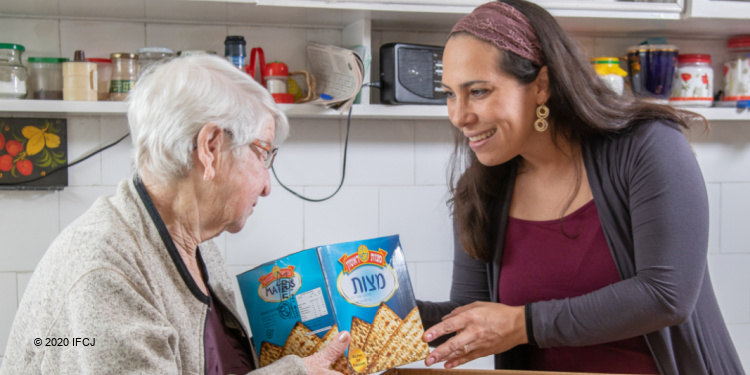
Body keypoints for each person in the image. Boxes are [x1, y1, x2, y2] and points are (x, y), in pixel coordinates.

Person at [416, 1, 745, 374]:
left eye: (477, 91)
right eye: (449, 94)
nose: (459, 116)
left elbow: (665, 295)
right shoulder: (480, 189)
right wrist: (365, 316)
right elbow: (469, 316)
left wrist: (522, 324)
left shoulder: (647, 147)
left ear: (541, 86)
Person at [0, 55, 350, 375]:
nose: (267, 185)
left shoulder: (198, 246)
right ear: (210, 147)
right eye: (263, 154)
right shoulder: (105, 270)